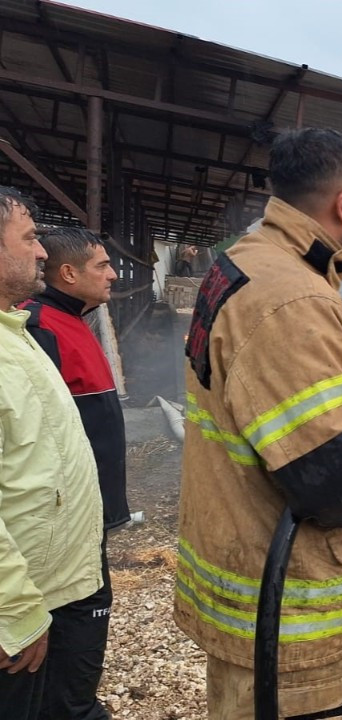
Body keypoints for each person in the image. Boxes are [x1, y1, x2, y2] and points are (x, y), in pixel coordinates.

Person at [174, 128, 342, 720]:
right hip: (293, 626)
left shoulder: (249, 262)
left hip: (254, 593)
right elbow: (339, 485)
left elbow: (264, 384)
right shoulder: (292, 299)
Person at [0, 187, 105, 718]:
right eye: (29, 238)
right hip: (22, 612)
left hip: (59, 589)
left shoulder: (14, 333)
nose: (42, 252)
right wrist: (14, 612)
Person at [20, 227, 131, 720]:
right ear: (68, 274)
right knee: (74, 622)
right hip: (60, 528)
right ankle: (70, 707)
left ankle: (69, 701)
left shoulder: (75, 320)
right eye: (102, 266)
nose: (113, 274)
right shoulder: (39, 327)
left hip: (86, 517)